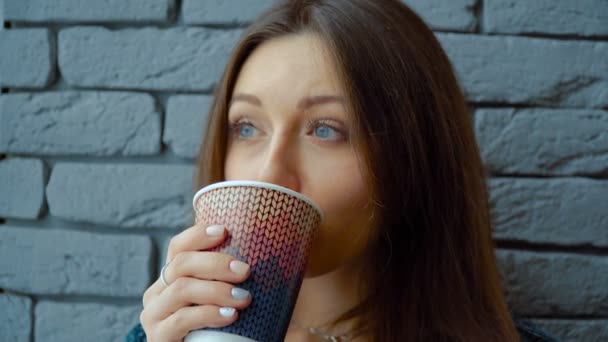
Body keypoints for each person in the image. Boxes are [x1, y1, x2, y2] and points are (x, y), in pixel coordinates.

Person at [128, 0, 560, 341]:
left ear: (411, 160)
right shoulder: (164, 335)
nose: (268, 174)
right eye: (246, 127)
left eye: (326, 130)